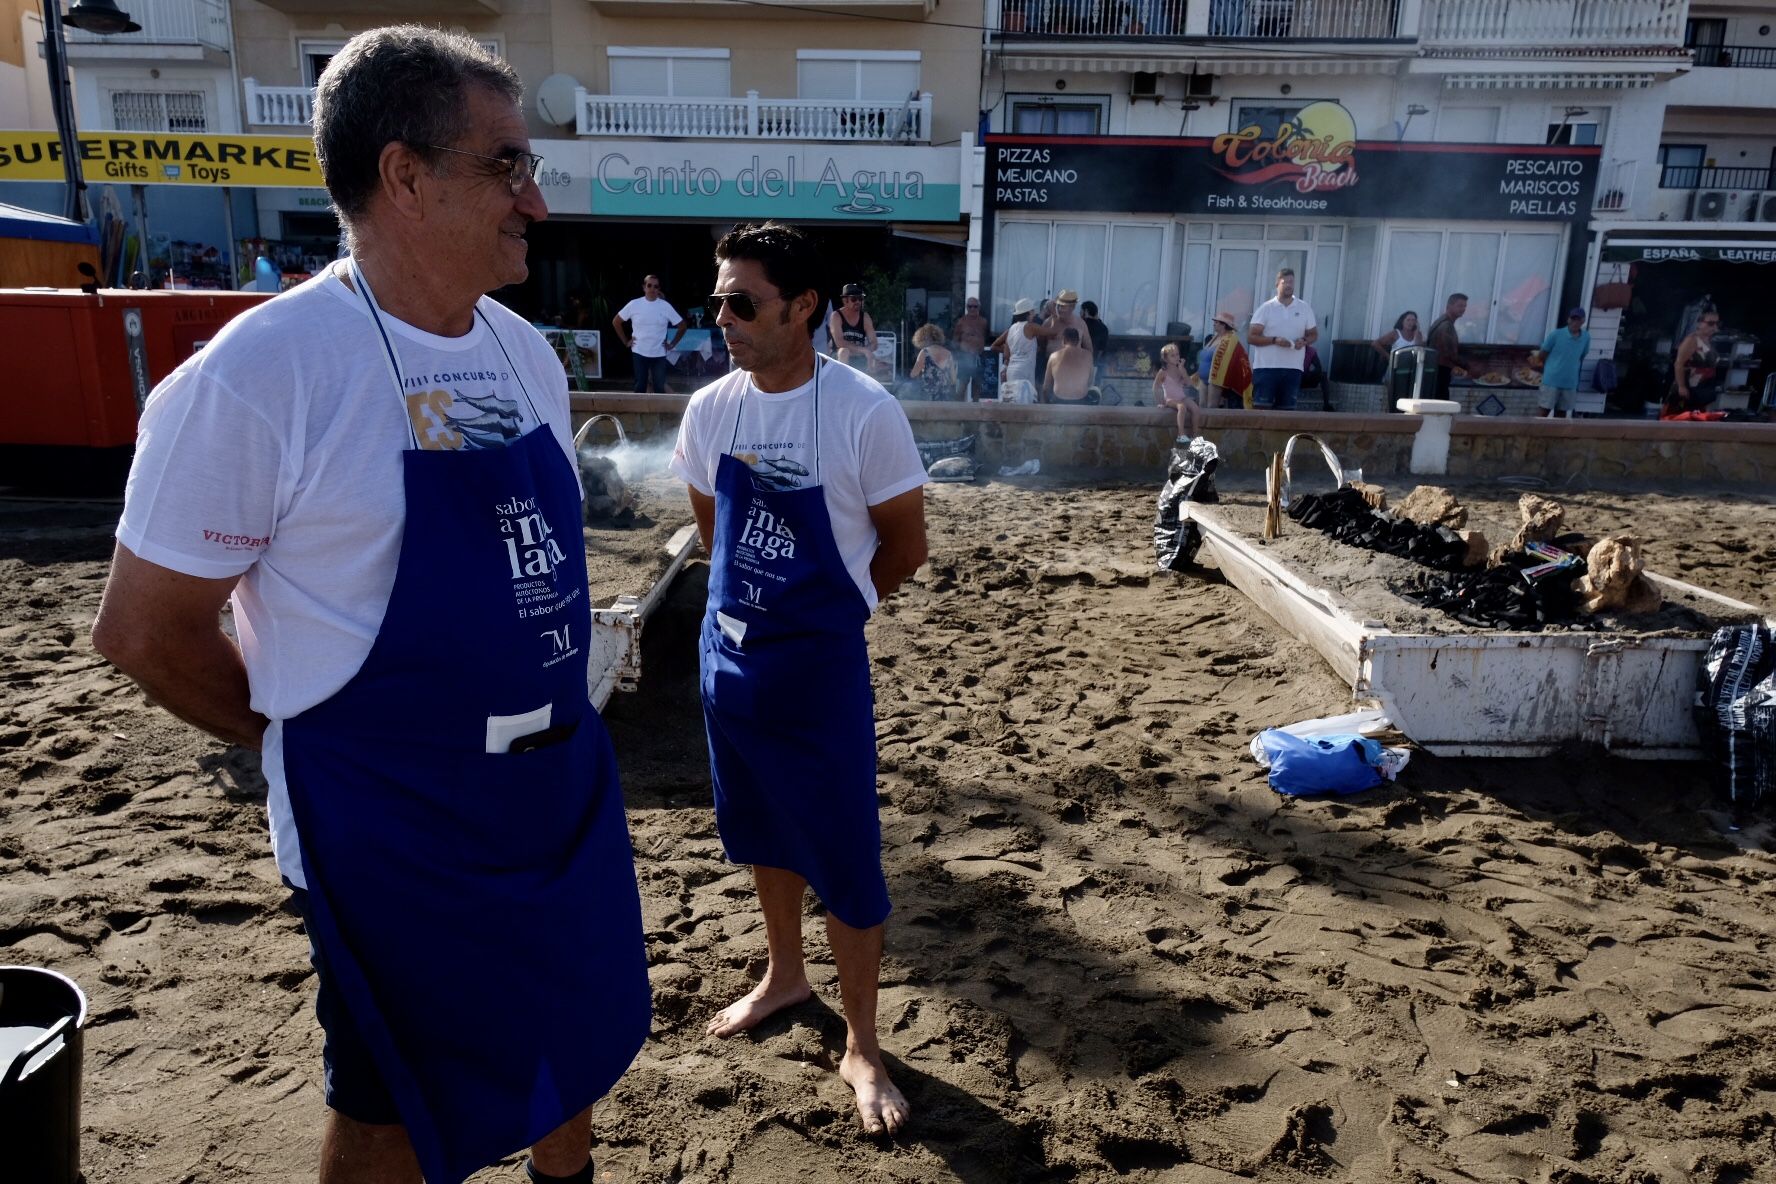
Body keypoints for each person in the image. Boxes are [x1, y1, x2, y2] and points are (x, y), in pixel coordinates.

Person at [88, 27, 650, 1184]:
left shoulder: (522, 353)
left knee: (570, 1041)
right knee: (390, 1095)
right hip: (390, 825)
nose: (534, 200)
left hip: (552, 790)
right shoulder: (263, 374)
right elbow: (143, 631)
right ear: (404, 175)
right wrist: (310, 738)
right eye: (506, 164)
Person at [669, 221, 928, 1136]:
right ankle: (785, 973)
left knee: (847, 856)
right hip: (729, 659)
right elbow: (714, 530)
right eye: (717, 302)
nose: (724, 320)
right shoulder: (712, 410)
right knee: (759, 826)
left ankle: (862, 1041)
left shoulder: (863, 412)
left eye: (744, 302)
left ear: (804, 307)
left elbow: (906, 545)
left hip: (819, 668)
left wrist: (829, 615)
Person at [1248, 267, 1317, 409]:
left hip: (1293, 368)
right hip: (1267, 368)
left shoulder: (1304, 308)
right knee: (1262, 409)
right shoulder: (1266, 308)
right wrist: (1274, 340)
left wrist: (1304, 341)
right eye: (1285, 282)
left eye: (1292, 282)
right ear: (1277, 284)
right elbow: (1251, 337)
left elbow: (1313, 334)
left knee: (1287, 412)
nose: (1289, 285)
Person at [613, 273, 688, 393]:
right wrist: (625, 341)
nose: (652, 289)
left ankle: (659, 411)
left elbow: (682, 326)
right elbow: (616, 321)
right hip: (639, 351)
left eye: (656, 286)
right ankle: (638, 411)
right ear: (644, 287)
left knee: (659, 387)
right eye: (649, 285)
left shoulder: (665, 306)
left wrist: (672, 344)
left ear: (659, 289)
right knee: (640, 386)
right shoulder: (634, 304)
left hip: (659, 353)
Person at [990, 297, 1060, 402]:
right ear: (1028, 313)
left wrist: (1013, 353)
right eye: (1033, 311)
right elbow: (1054, 332)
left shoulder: (1011, 329)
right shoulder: (1031, 327)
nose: (1034, 313)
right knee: (1025, 403)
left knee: (1013, 402)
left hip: (1011, 371)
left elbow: (993, 346)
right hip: (1024, 371)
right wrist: (1054, 313)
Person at [1530, 307, 1592, 418]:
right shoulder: (1556, 335)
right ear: (1568, 320)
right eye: (1573, 319)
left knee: (1561, 415)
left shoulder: (1586, 337)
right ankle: (1535, 434)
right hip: (1551, 381)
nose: (1575, 322)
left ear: (1583, 321)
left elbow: (1582, 355)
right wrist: (1550, 367)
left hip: (1570, 382)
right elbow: (1542, 354)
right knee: (1543, 412)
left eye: (1578, 319)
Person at [1668, 306, 1724, 415]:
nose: (1714, 327)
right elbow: (1679, 364)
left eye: (1717, 324)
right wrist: (1682, 386)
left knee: (1699, 419)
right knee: (1681, 418)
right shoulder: (1692, 340)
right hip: (1689, 387)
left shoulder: (1710, 340)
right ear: (1699, 323)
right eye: (1710, 324)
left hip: (1704, 388)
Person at [1198, 310, 1254, 409]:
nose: (1214, 324)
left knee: (1212, 406)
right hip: (1203, 379)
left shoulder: (1230, 340)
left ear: (1224, 325)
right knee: (1201, 406)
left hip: (1215, 379)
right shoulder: (1214, 337)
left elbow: (1230, 360)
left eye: (1217, 322)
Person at [1425, 293, 1473, 401]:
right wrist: (1468, 366)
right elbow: (1449, 353)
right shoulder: (1446, 326)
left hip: (1435, 370)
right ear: (1449, 306)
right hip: (1440, 371)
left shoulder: (1442, 322)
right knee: (1441, 405)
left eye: (1464, 306)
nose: (1463, 309)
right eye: (1460, 305)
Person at [1152, 342, 1199, 440]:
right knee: (1182, 407)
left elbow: (1189, 383)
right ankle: (1181, 434)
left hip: (1181, 397)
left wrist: (1182, 370)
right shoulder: (1163, 372)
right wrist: (1160, 402)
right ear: (1165, 359)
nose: (1176, 357)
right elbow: (1156, 387)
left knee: (1195, 408)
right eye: (1172, 356)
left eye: (1177, 354)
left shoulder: (1180, 369)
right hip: (1170, 399)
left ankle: (1195, 435)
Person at [829, 282, 877, 370]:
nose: (858, 302)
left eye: (860, 298)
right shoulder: (836, 316)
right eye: (854, 299)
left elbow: (874, 343)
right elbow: (839, 343)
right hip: (838, 357)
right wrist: (863, 350)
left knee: (872, 358)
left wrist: (868, 350)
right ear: (845, 301)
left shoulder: (865, 317)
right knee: (844, 351)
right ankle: (842, 381)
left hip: (859, 357)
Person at [949, 296, 990, 399]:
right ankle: (958, 410)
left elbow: (986, 337)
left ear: (979, 308)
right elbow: (955, 340)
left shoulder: (983, 322)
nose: (972, 309)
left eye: (975, 306)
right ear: (966, 307)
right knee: (962, 384)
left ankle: (976, 411)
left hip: (979, 357)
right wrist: (960, 352)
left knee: (978, 384)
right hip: (965, 357)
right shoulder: (961, 322)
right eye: (970, 306)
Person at [1043, 326, 1095, 403]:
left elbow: (1046, 387)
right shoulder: (1088, 356)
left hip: (1059, 400)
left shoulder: (1053, 356)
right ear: (1078, 341)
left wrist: (1047, 403)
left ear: (1063, 340)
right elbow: (1090, 381)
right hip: (1081, 400)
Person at [909, 322, 956, 400]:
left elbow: (913, 374)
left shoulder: (925, 352)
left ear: (923, 338)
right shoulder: (948, 354)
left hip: (928, 394)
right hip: (944, 395)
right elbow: (953, 380)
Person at [1080, 299, 1112, 388]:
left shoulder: (1081, 324)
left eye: (1081, 311)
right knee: (1095, 388)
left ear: (1085, 311)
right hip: (1098, 363)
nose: (1079, 313)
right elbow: (1102, 347)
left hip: (1082, 362)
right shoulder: (1103, 327)